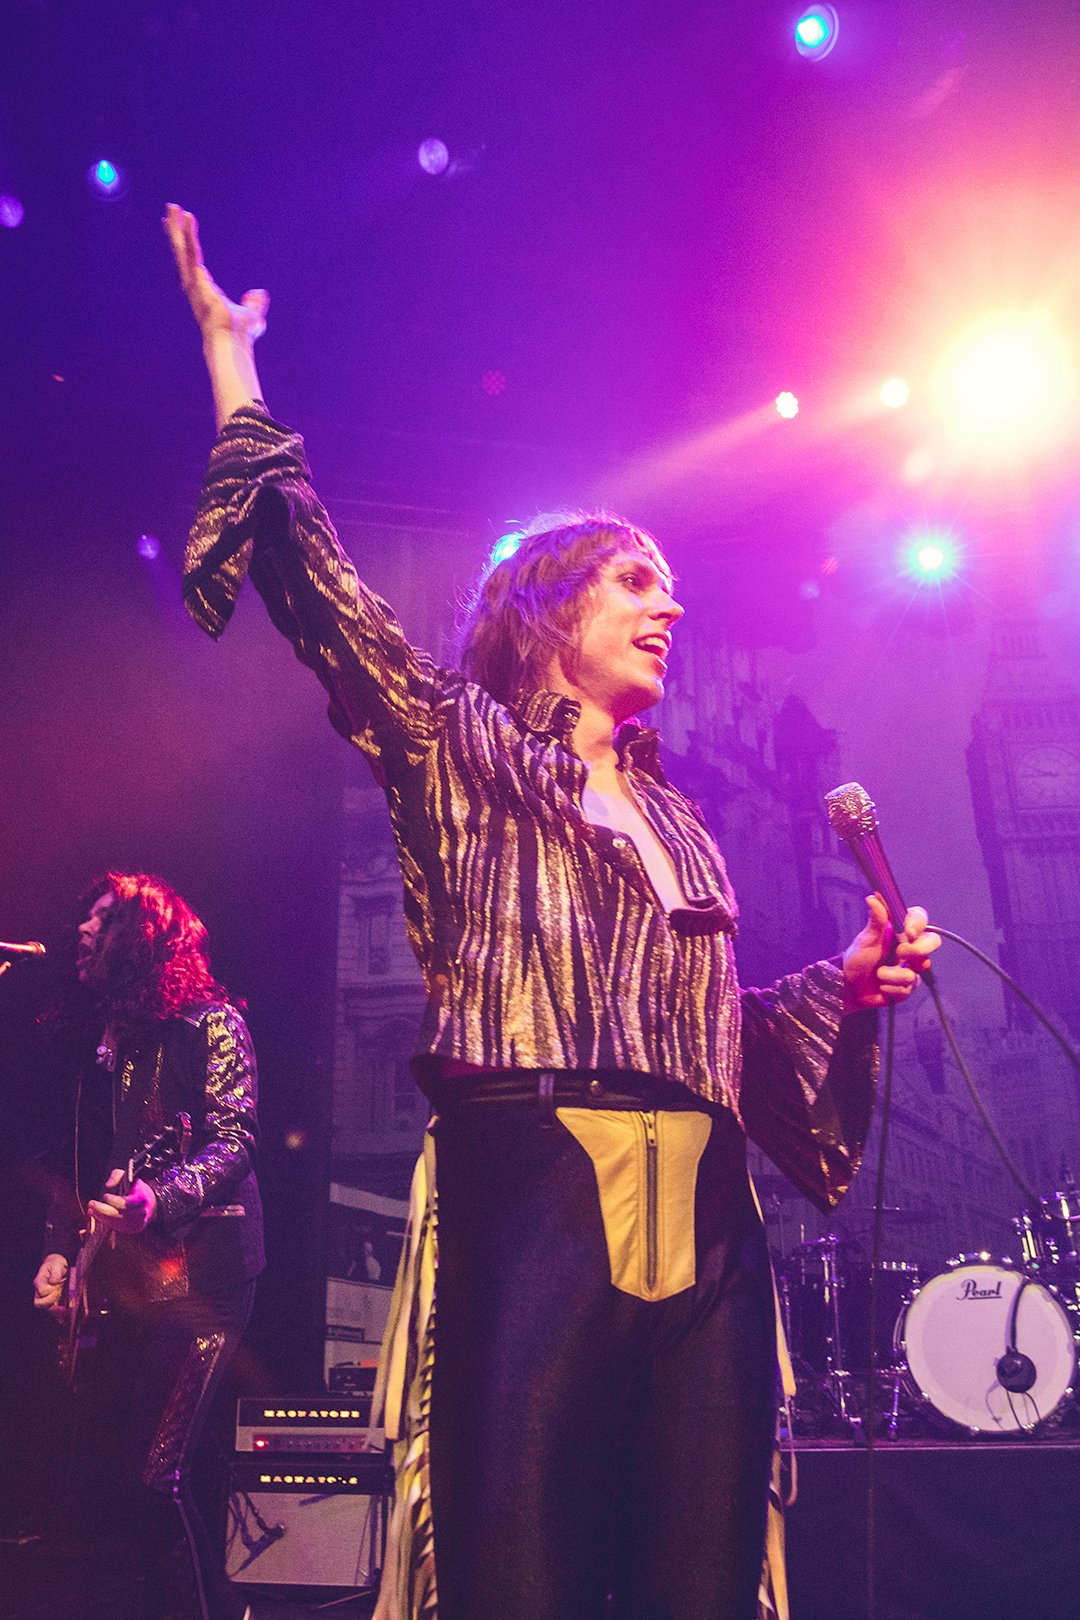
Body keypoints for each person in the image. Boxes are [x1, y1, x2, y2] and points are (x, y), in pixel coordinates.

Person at [165, 204, 940, 1620]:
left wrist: (851, 974)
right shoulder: (457, 745)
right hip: (534, 1190)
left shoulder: (682, 823)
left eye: (676, 590)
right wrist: (235, 367)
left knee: (698, 1572)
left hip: (707, 1216)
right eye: (637, 583)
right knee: (521, 1564)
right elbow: (315, 581)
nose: (669, 609)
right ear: (548, 612)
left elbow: (724, 1037)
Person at [33, 872, 264, 1620]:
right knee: (135, 1483)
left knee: (152, 1475)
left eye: (101, 918)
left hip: (207, 1278)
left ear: (143, 933)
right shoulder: (111, 1049)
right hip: (136, 1282)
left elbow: (234, 1140)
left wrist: (158, 1197)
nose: (82, 931)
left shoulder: (214, 1024)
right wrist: (63, 1251)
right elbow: (85, 1169)